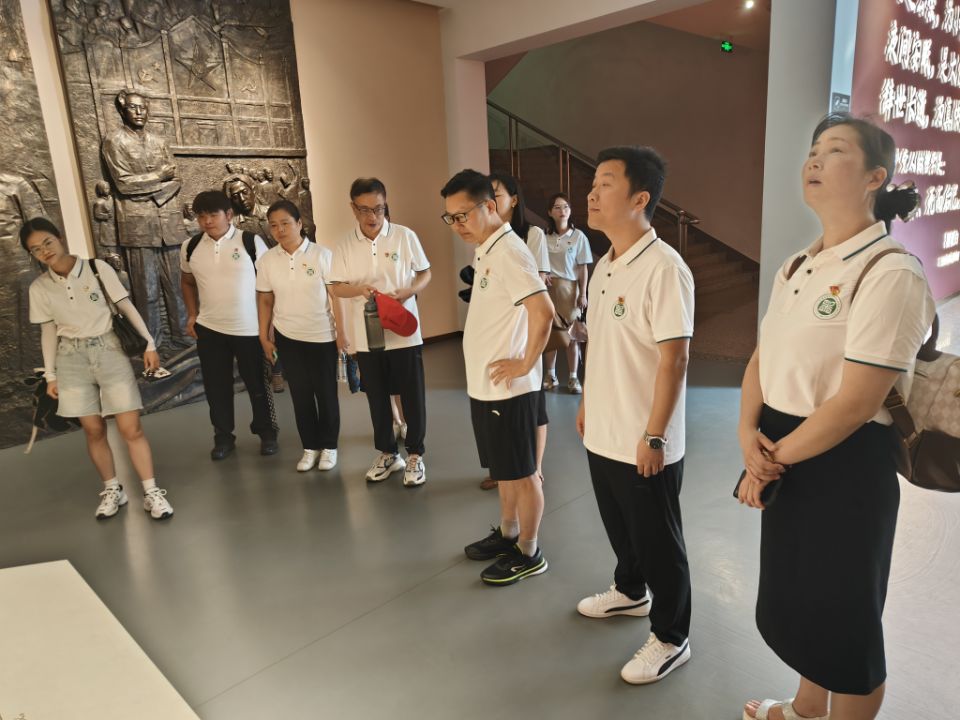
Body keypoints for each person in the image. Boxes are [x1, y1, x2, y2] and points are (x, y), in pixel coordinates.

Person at [738, 113, 935, 720]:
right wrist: (747, 432)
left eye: (836, 150)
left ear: (876, 176)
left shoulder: (890, 271)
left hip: (845, 465)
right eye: (814, 149)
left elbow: (855, 404)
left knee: (846, 622)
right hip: (783, 448)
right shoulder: (799, 265)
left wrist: (767, 462)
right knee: (802, 599)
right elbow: (763, 356)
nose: (815, 160)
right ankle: (806, 709)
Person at [575, 147, 695, 684]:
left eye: (605, 184)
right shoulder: (604, 265)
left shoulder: (665, 269)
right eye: (593, 183)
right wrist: (586, 401)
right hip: (604, 429)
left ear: (639, 198)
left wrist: (655, 435)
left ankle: (672, 636)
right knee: (621, 527)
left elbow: (675, 359)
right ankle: (629, 591)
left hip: (645, 439)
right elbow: (601, 346)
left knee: (659, 542)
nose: (592, 193)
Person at [442, 169, 554, 586]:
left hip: (511, 392)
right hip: (486, 387)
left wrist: (525, 364)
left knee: (523, 473)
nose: (457, 225)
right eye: (450, 217)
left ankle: (529, 551)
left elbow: (544, 312)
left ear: (490, 206)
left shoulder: (509, 251)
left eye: (463, 215)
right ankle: (508, 534)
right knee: (504, 470)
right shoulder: (486, 249)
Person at [23, 217, 174, 520]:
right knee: (93, 430)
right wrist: (51, 375)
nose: (44, 251)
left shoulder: (96, 268)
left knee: (131, 428)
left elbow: (125, 306)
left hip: (109, 351)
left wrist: (149, 343)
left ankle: (151, 492)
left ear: (60, 237)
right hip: (71, 358)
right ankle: (112, 489)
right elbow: (48, 332)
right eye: (36, 249)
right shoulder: (39, 288)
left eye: (47, 242)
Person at [327, 178, 431, 487]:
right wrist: (358, 289)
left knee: (412, 396)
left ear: (386, 205)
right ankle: (388, 453)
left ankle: (415, 455)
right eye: (364, 210)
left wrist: (409, 290)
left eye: (379, 208)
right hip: (367, 335)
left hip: (404, 331)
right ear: (353, 209)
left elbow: (425, 272)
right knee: (377, 397)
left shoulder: (404, 236)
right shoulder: (345, 245)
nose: (372, 216)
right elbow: (336, 287)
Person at [180, 190, 278, 460]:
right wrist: (192, 314)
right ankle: (223, 437)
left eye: (213, 215)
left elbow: (269, 286)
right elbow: (186, 282)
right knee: (216, 388)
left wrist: (268, 326)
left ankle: (267, 433)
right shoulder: (190, 247)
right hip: (210, 329)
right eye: (201, 216)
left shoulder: (250, 242)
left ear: (229, 215)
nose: (207, 221)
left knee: (258, 385)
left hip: (249, 329)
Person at [256, 200, 344, 472]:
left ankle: (329, 446)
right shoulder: (267, 260)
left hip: (322, 335)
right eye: (274, 225)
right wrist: (263, 336)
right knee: (300, 395)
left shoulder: (321, 255)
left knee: (326, 394)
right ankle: (310, 447)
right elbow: (265, 300)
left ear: (299, 223)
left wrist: (342, 334)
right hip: (288, 337)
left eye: (285, 223)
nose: (279, 230)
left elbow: (336, 296)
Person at [101, 89, 191, 352]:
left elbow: (176, 179)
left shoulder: (159, 141)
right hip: (138, 227)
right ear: (122, 110)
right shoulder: (114, 141)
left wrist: (154, 192)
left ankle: (183, 336)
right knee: (146, 291)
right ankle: (152, 342)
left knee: (177, 288)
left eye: (143, 107)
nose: (139, 112)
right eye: (133, 107)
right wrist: (158, 178)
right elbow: (123, 184)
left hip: (169, 224)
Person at [483, 172, 550, 491]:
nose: (489, 201)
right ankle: (504, 468)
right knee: (501, 404)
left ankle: (534, 467)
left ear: (513, 199)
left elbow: (540, 282)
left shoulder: (531, 234)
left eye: (495, 194)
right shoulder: (487, 240)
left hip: (525, 331)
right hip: (499, 333)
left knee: (533, 403)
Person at [543, 192, 592, 393]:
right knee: (552, 334)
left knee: (572, 335)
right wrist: (543, 273)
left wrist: (583, 294)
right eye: (557, 207)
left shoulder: (578, 236)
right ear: (550, 212)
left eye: (565, 207)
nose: (562, 211)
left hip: (570, 291)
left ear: (570, 211)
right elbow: (537, 262)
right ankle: (550, 375)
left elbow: (583, 267)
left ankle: (573, 378)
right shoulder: (544, 236)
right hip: (549, 290)